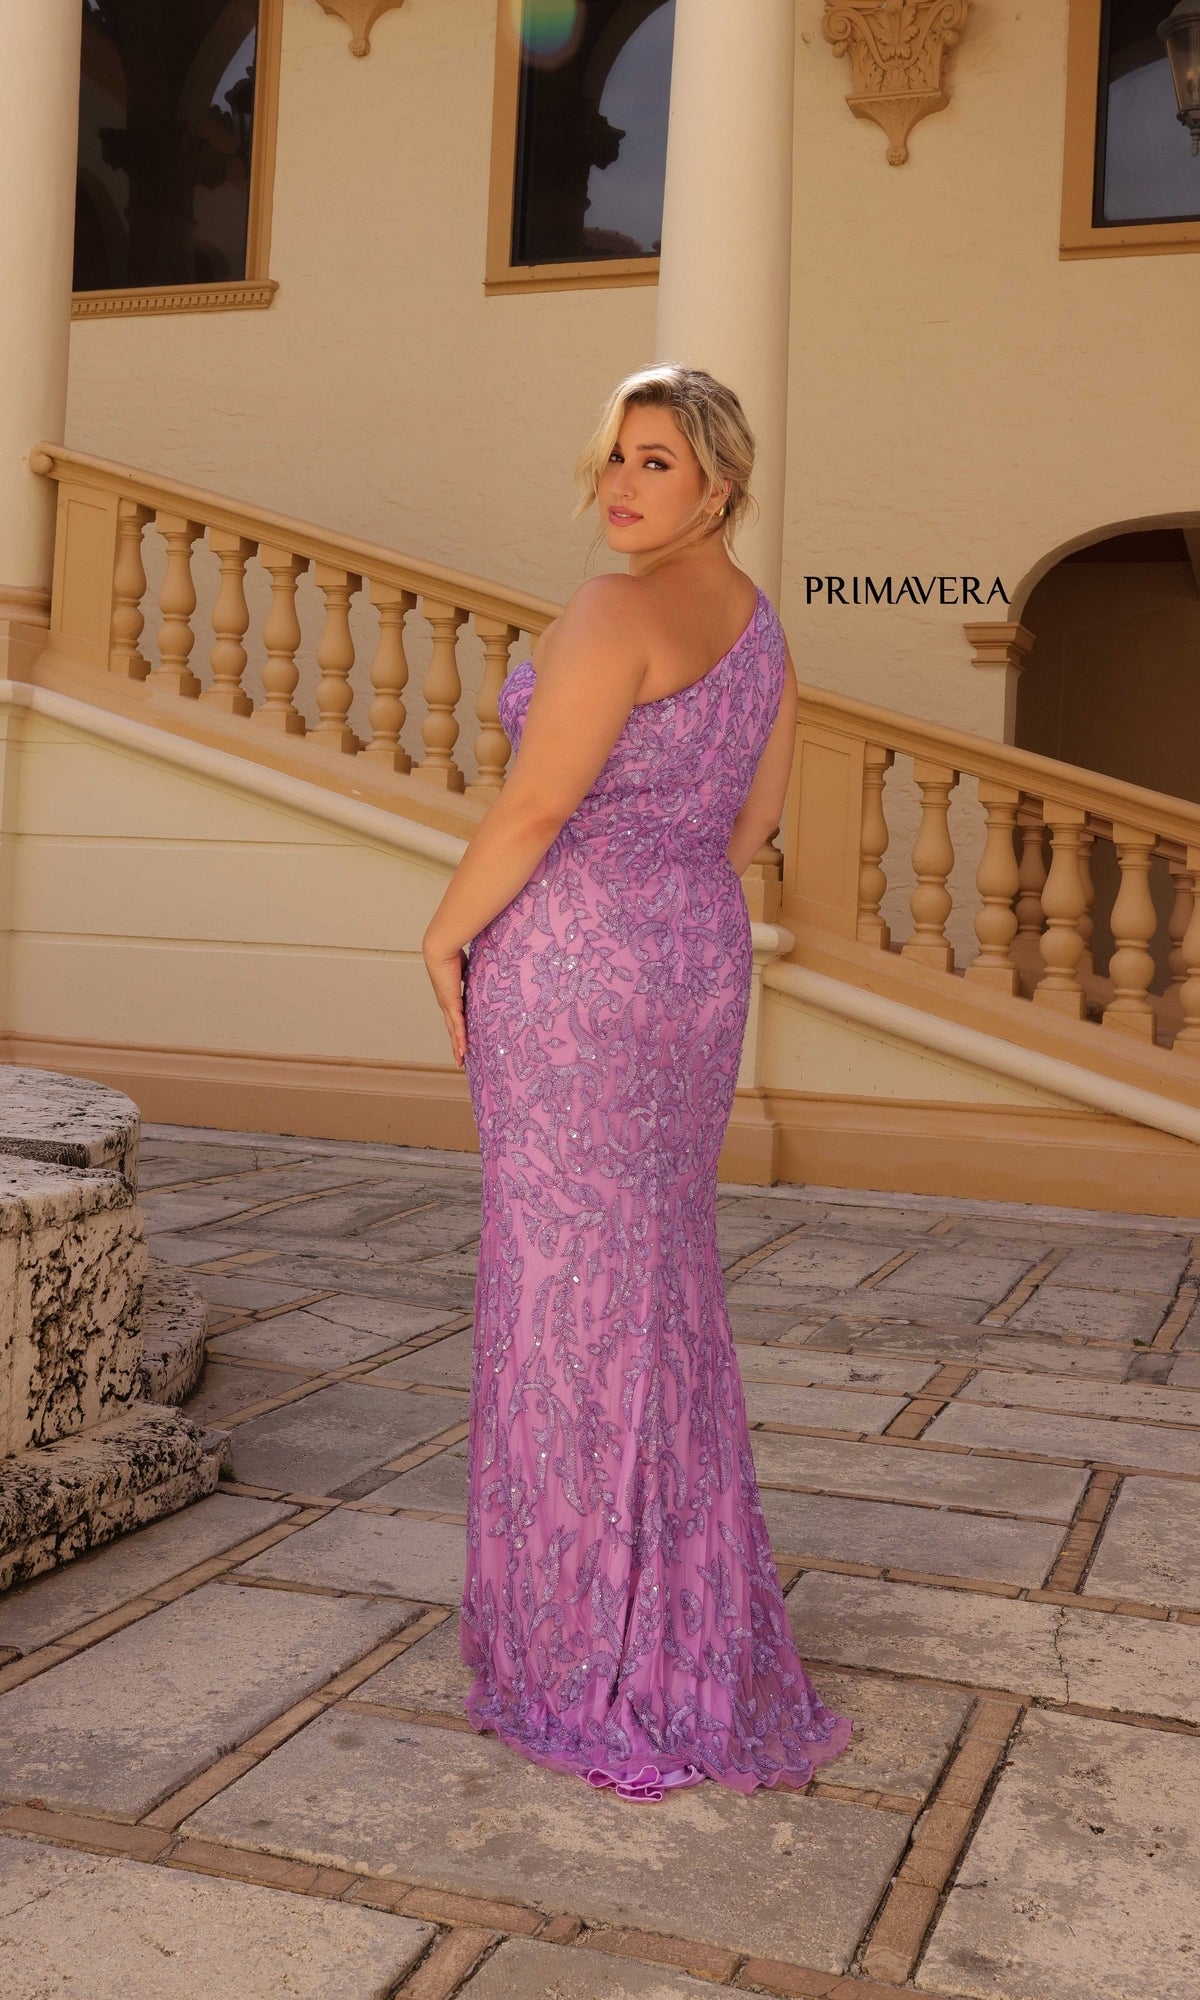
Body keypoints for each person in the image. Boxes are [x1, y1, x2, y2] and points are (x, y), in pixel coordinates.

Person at [421, 363, 852, 1800]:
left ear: (720, 483)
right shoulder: (769, 635)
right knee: (656, 1284)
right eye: (613, 456)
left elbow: (539, 802)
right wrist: (654, 896)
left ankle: (577, 1657)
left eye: (654, 462)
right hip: (688, 957)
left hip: (576, 965)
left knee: (561, 1290)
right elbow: (748, 832)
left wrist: (446, 929)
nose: (620, 485)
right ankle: (686, 1639)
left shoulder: (612, 611)